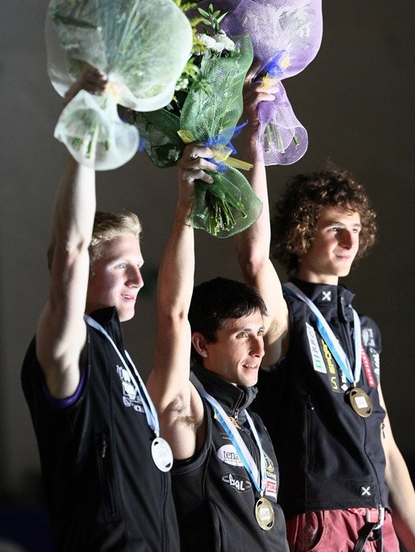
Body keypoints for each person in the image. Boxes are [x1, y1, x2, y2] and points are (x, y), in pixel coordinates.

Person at [234, 71, 415, 551]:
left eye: (357, 230)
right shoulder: (286, 312)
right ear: (302, 233)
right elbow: (254, 258)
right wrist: (253, 142)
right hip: (318, 519)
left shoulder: (364, 329)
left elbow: (383, 438)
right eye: (335, 228)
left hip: (376, 520)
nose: (350, 240)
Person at [21, 68, 180, 552]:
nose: (137, 280)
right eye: (120, 267)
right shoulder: (69, 342)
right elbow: (70, 247)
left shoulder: (118, 355)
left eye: (138, 265)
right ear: (84, 272)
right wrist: (86, 138)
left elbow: (178, 307)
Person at [146, 142, 289, 552]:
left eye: (260, 333)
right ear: (201, 344)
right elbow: (173, 313)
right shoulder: (189, 409)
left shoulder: (253, 424)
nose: (260, 349)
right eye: (243, 334)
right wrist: (186, 204)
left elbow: (259, 259)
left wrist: (256, 145)